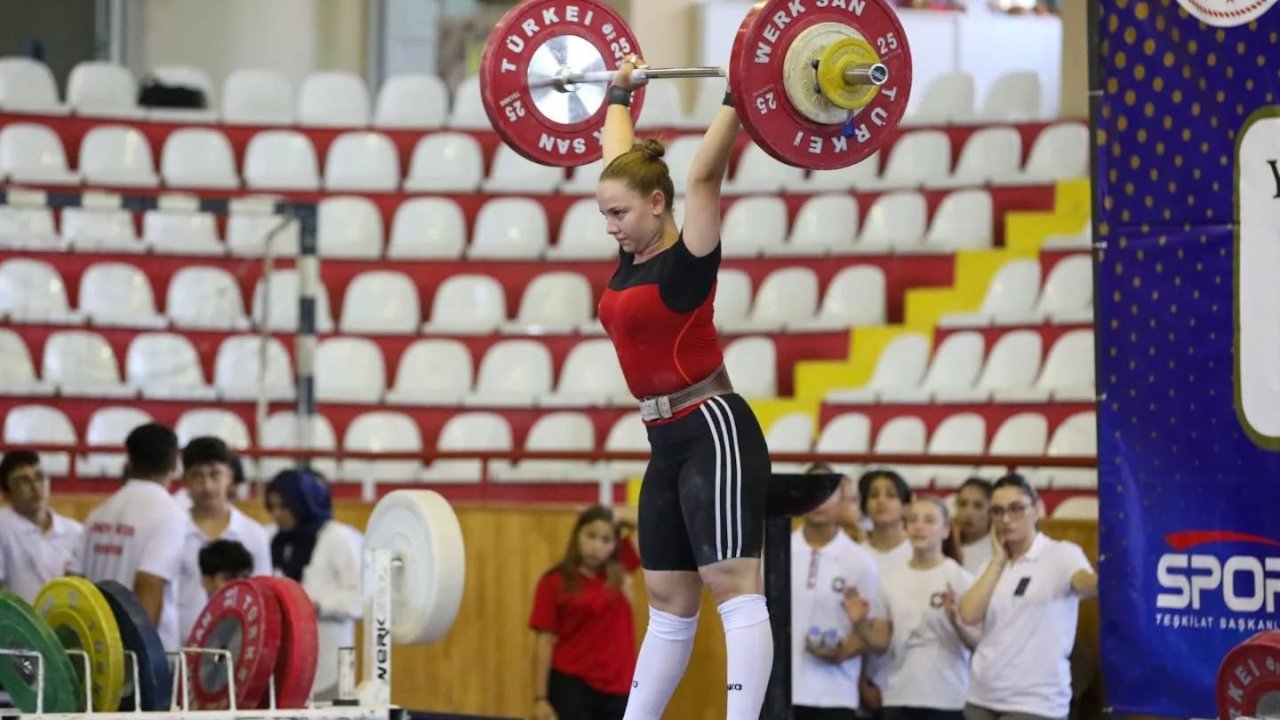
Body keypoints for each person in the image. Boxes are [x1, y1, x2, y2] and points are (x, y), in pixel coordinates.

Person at [595, 54, 775, 720]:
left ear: (658, 205)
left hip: (713, 429)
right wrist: (619, 90)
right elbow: (619, 163)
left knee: (731, 584)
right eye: (605, 214)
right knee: (669, 598)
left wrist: (742, 89)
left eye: (618, 214)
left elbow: (705, 173)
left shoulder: (689, 260)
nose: (609, 225)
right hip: (663, 440)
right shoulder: (631, 249)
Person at [958, 474, 1097, 720]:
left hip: (1036, 701)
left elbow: (1085, 584)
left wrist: (1104, 578)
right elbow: (969, 615)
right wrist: (998, 561)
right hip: (982, 695)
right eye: (998, 511)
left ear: (1037, 509)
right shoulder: (989, 566)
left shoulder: (1061, 554)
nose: (1007, 519)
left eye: (1016, 509)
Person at [846, 497, 979, 720]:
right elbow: (881, 643)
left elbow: (977, 641)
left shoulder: (961, 579)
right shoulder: (890, 580)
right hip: (899, 696)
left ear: (945, 530)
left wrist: (957, 621)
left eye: (929, 520)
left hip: (948, 697)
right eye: (913, 520)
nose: (919, 526)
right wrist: (860, 623)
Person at [81, 423, 188, 651]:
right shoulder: (169, 515)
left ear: (129, 460)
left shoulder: (97, 514)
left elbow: (79, 582)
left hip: (97, 649)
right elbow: (149, 585)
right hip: (138, 658)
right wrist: (140, 662)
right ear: (174, 463)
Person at [530, 506, 642, 720]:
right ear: (577, 535)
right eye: (591, 535)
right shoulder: (554, 581)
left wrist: (614, 515)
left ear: (614, 545)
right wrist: (540, 698)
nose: (596, 546)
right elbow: (544, 643)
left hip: (620, 686)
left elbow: (650, 519)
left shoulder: (622, 569)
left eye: (606, 539)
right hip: (573, 686)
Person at [265, 469, 362, 701]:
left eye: (284, 507)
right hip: (286, 657)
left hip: (333, 655)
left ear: (302, 503)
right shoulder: (273, 540)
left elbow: (360, 599)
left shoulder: (338, 538)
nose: (278, 515)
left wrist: (317, 605)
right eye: (273, 507)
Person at [791, 474, 879, 720]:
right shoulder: (779, 551)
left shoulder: (860, 562)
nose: (818, 502)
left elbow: (871, 630)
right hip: (778, 690)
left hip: (835, 694)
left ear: (843, 500)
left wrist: (842, 650)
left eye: (827, 494)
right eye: (811, 492)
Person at [177, 437, 272, 641]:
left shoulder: (253, 534)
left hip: (238, 647)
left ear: (230, 476)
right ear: (185, 480)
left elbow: (263, 599)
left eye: (215, 474)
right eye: (197, 476)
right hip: (180, 650)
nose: (207, 486)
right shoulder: (171, 530)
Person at [857, 469, 913, 715]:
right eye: (873, 495)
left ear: (906, 507)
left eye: (891, 495)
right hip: (858, 674)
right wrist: (860, 682)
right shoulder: (856, 555)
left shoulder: (918, 554)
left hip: (909, 677)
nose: (881, 501)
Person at [0, 450, 83, 603]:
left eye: (40, 477)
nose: (35, 487)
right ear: (6, 493)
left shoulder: (75, 531)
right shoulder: (3, 526)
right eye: (23, 481)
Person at [954, 478, 994, 575]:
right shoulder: (940, 545)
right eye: (963, 504)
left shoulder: (996, 552)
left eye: (978, 506)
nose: (968, 513)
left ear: (991, 512)